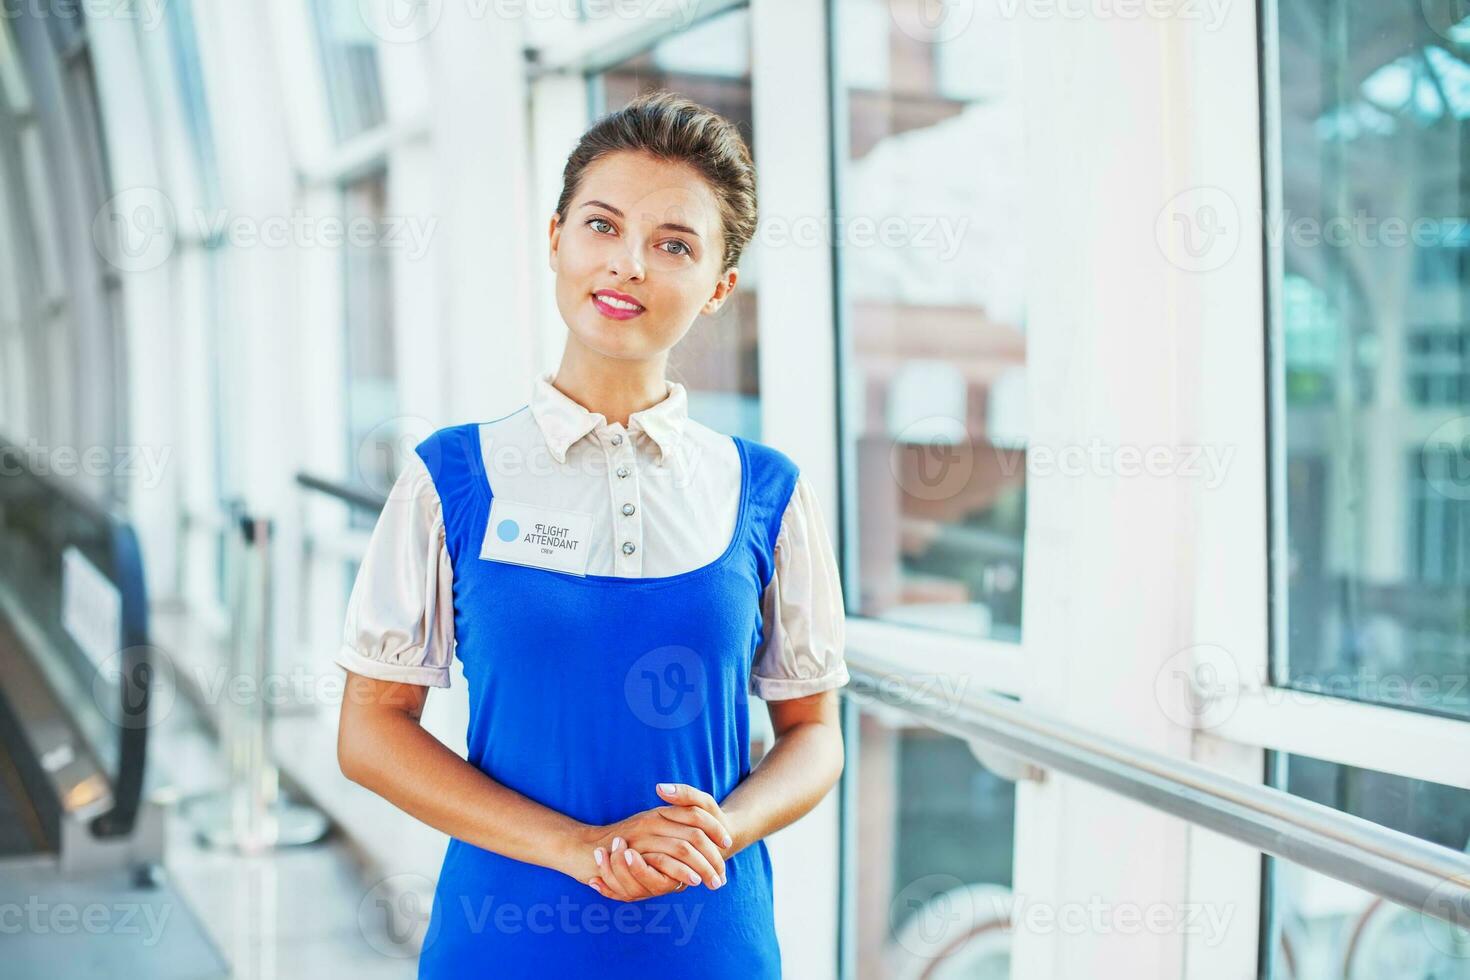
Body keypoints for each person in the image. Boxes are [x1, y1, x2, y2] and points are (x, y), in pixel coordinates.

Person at [334, 90, 850, 978]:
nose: (628, 266)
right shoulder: (449, 477)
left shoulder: (766, 492)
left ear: (720, 287)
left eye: (674, 245)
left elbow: (815, 734)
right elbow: (370, 730)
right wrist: (582, 848)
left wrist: (720, 827)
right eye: (602, 227)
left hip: (709, 939)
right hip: (501, 941)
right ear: (556, 240)